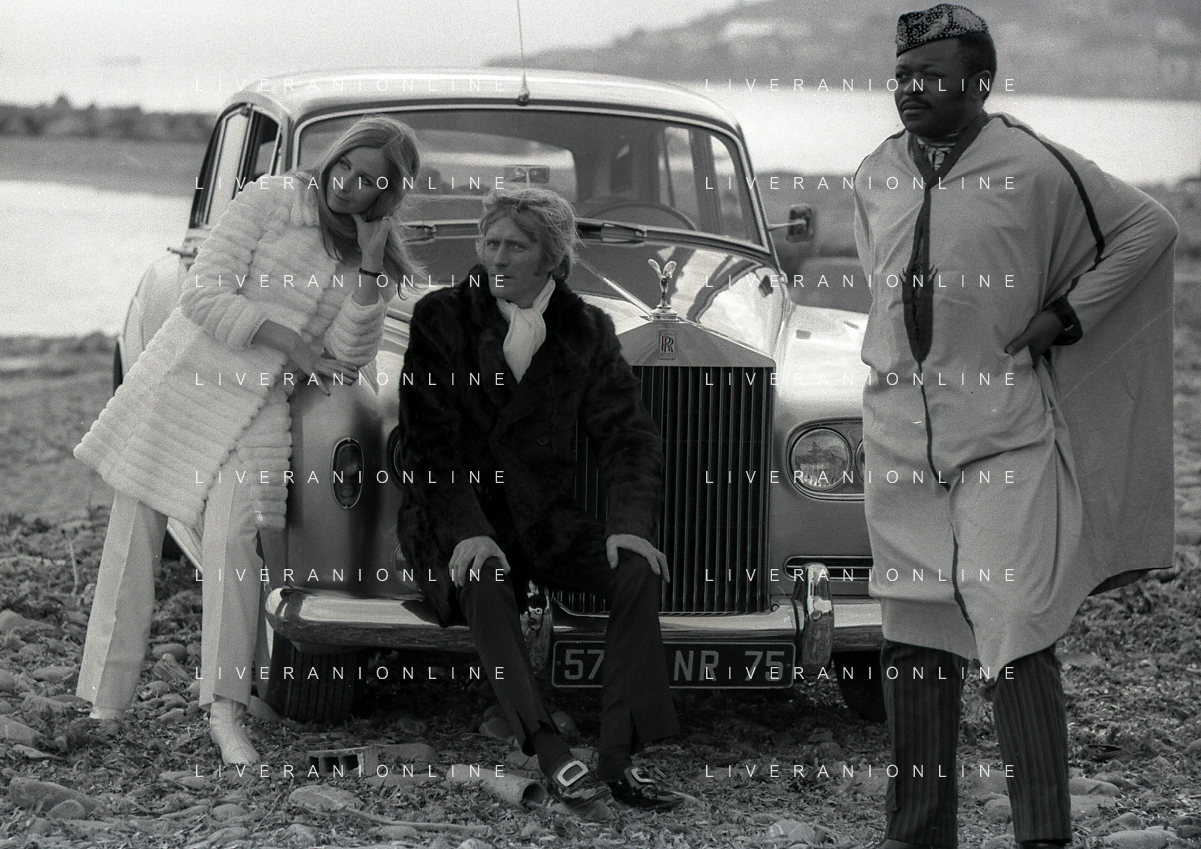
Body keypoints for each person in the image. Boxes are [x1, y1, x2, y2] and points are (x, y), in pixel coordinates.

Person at [852, 6, 1177, 848]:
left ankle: (1041, 835)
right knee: (913, 632)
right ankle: (916, 832)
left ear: (979, 82)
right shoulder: (874, 171)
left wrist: (1065, 316)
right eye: (902, 75)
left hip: (1003, 435)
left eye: (930, 75)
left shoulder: (1033, 165)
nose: (909, 89)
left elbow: (1148, 228)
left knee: (1016, 626)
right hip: (898, 439)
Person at [74, 114, 422, 766]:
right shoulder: (271, 199)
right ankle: (106, 702)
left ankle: (225, 712)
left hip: (260, 407)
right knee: (134, 534)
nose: (345, 183)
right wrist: (288, 340)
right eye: (345, 164)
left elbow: (348, 357)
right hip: (187, 381)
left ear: (387, 192)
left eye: (367, 179)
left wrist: (372, 262)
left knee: (234, 544)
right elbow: (204, 293)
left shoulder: (366, 256)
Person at [396, 187, 682, 812]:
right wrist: (468, 530)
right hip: (454, 512)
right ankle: (550, 751)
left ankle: (618, 757)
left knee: (635, 568)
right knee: (482, 573)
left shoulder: (587, 329)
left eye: (516, 247)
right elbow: (426, 442)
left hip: (543, 520)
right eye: (490, 243)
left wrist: (629, 524)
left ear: (552, 257)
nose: (498, 257)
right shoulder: (440, 317)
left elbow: (628, 438)